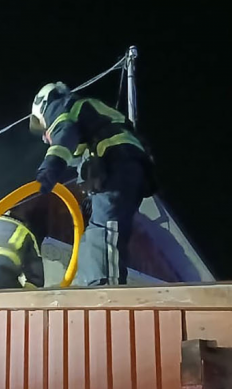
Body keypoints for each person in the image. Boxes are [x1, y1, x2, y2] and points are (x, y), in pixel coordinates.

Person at [30, 81, 155, 286]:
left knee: (105, 230)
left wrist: (50, 168)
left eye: (43, 129)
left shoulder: (61, 107)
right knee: (94, 234)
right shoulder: (90, 112)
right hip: (125, 165)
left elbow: (65, 136)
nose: (45, 137)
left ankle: (106, 288)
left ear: (43, 106)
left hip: (116, 164)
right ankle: (89, 285)